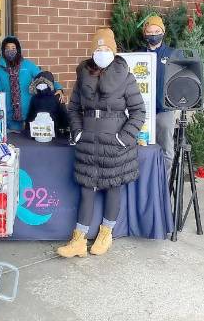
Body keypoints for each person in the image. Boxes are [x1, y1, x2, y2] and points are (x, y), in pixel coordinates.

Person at [57, 28, 145, 258]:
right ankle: (78, 240)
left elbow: (138, 112)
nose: (102, 52)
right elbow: (74, 108)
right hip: (88, 141)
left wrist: (123, 138)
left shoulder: (125, 76)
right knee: (87, 190)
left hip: (114, 143)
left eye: (106, 48)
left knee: (112, 187)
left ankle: (105, 235)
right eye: (98, 48)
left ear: (114, 51)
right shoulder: (83, 75)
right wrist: (77, 132)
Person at [0, 37, 66, 131]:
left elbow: (43, 78)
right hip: (10, 117)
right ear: (3, 50)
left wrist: (58, 88)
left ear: (18, 50)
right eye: (7, 48)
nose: (10, 51)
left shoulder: (27, 65)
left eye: (13, 48)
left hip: (29, 114)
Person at [140, 15, 182, 178]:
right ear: (145, 33)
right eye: (150, 31)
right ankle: (144, 184)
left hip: (164, 110)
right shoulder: (138, 54)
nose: (153, 34)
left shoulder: (172, 54)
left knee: (166, 151)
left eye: (157, 31)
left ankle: (162, 187)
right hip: (141, 112)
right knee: (142, 149)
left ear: (163, 32)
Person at [25, 71, 69, 136]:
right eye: (39, 83)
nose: (41, 85)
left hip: (55, 131)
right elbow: (31, 114)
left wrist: (66, 129)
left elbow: (63, 113)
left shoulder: (57, 97)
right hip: (38, 131)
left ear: (49, 84)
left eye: (44, 83)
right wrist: (28, 128)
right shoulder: (34, 98)